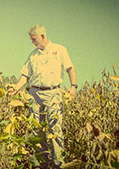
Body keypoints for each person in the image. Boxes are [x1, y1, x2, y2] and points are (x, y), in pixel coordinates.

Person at [8, 25, 77, 169]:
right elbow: (25, 75)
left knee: (55, 129)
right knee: (36, 130)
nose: (32, 42)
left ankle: (60, 164)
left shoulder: (60, 50)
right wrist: (15, 88)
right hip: (34, 94)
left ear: (43, 36)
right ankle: (42, 164)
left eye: (34, 39)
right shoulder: (33, 55)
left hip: (54, 93)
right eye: (31, 40)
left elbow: (70, 68)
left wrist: (73, 86)